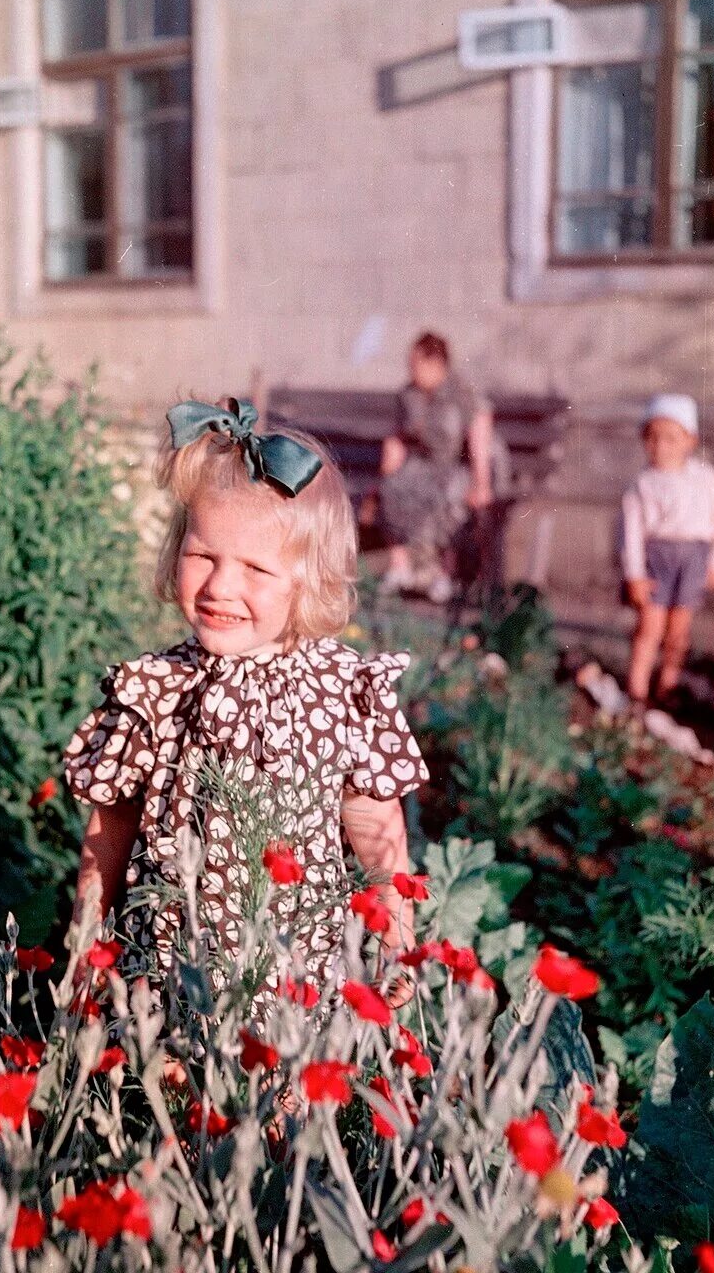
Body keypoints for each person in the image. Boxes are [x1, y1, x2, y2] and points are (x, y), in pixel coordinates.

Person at [63, 396, 429, 1003]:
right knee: (166, 1093)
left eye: (256, 570)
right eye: (202, 556)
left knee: (275, 1095)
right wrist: (87, 936)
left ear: (309, 581)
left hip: (290, 979)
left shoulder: (340, 691)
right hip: (167, 967)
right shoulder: (157, 689)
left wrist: (395, 942)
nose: (221, 587)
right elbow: (113, 826)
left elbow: (375, 829)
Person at [620, 394, 714, 706]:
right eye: (653, 437)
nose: (660, 446)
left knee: (679, 630)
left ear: (690, 440)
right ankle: (637, 690)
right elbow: (630, 534)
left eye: (671, 438)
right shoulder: (642, 484)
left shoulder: (705, 478)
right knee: (650, 626)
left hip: (694, 559)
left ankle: (668, 684)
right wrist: (634, 575)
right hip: (656, 559)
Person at [376, 332, 496, 602]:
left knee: (447, 496)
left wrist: (481, 482)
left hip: (459, 465)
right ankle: (401, 566)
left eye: (416, 364)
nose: (411, 370)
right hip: (422, 464)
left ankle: (442, 573)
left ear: (436, 363)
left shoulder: (461, 392)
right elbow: (400, 433)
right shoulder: (409, 394)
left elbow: (479, 436)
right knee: (393, 487)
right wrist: (391, 457)